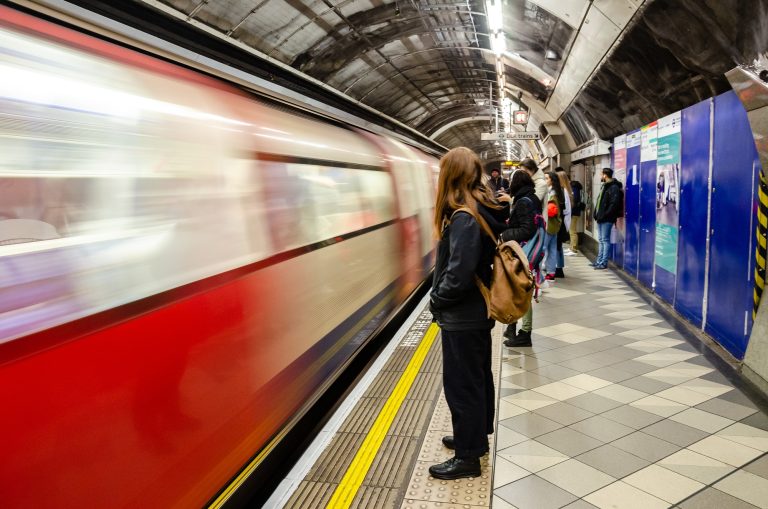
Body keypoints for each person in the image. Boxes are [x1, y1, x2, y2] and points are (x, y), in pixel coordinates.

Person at [428, 147, 508, 480]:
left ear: (451, 175)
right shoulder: (480, 208)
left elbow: (458, 273)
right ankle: (474, 438)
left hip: (462, 314)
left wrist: (438, 299)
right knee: (477, 379)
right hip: (475, 311)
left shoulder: (463, 217)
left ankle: (467, 458)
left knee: (461, 385)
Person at [496, 170, 541, 347]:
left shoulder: (524, 202)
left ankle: (525, 333)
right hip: (529, 251)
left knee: (523, 291)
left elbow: (526, 229)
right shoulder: (532, 197)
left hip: (524, 252)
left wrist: (505, 233)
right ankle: (512, 326)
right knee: (519, 289)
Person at [592, 168, 624, 270]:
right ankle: (599, 261)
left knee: (605, 240)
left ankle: (603, 262)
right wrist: (596, 213)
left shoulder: (613, 187)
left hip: (607, 218)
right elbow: (599, 202)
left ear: (605, 175)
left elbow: (613, 204)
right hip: (601, 217)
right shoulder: (605, 186)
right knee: (601, 239)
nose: (601, 176)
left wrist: (605, 214)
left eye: (601, 174)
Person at [542, 171, 564, 281]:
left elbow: (550, 210)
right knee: (552, 249)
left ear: (552, 180)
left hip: (548, 224)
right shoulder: (558, 192)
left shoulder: (551, 193)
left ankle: (540, 272)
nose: (545, 180)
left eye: (546, 178)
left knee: (543, 248)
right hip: (555, 225)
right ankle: (551, 272)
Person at [554, 168, 573, 278]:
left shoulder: (562, 191)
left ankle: (558, 268)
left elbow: (566, 211)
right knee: (558, 246)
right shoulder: (566, 191)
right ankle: (558, 267)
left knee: (556, 246)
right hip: (562, 223)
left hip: (560, 224)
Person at [569, 179, 584, 253]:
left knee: (572, 230)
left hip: (574, 212)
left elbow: (574, 201)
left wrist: (570, 212)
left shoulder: (574, 189)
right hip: (575, 212)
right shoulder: (575, 188)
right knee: (572, 230)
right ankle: (572, 247)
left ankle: (574, 248)